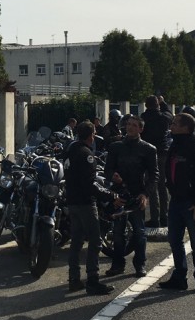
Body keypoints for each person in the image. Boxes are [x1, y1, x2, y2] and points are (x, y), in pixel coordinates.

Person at [159, 112, 195, 295]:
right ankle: (179, 278)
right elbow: (169, 171)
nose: (172, 127)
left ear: (186, 127)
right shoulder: (174, 146)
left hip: (192, 204)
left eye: (175, 124)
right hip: (175, 202)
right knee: (175, 241)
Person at [65, 121, 116, 295]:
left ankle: (74, 279)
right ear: (91, 135)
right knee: (95, 241)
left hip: (72, 201)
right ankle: (93, 280)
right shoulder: (87, 154)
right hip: (85, 202)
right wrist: (110, 196)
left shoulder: (71, 149)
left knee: (76, 241)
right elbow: (90, 184)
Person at [104, 115, 158, 278]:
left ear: (141, 129)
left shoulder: (149, 149)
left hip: (137, 195)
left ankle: (140, 264)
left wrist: (145, 194)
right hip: (119, 194)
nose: (130, 128)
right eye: (128, 124)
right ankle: (118, 264)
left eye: (134, 125)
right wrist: (112, 176)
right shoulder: (115, 147)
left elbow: (154, 175)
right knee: (118, 233)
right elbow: (107, 169)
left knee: (139, 232)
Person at [139, 95, 172, 238]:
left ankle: (154, 218)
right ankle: (165, 216)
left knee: (151, 185)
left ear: (146, 105)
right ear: (157, 105)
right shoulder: (164, 117)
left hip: (148, 153)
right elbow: (170, 114)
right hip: (163, 152)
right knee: (162, 185)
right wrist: (163, 101)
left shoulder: (143, 117)